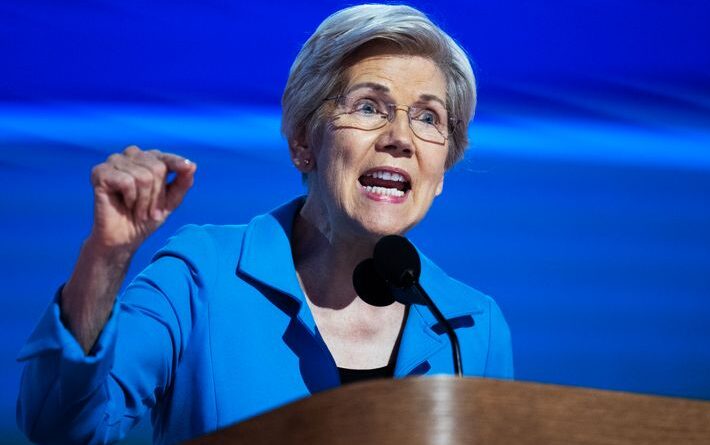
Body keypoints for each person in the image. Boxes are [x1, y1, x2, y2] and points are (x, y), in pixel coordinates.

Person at [17, 4, 513, 444]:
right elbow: (62, 428)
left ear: (444, 166)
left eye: (429, 118)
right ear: (302, 140)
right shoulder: (201, 276)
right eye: (368, 107)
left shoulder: (471, 328)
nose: (400, 137)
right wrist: (107, 257)